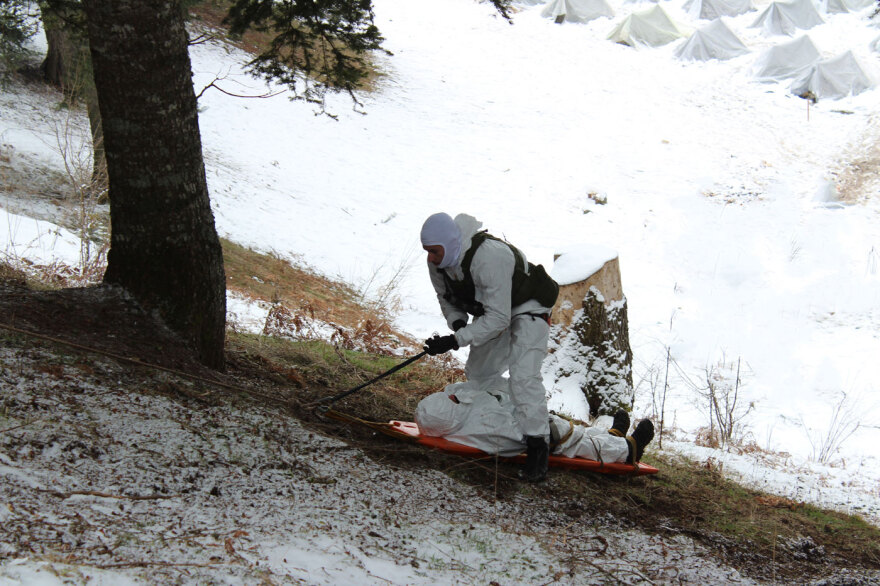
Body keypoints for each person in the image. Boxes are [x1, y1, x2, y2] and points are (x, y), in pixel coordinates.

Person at [419, 212, 560, 482]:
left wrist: (456, 340)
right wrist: (459, 325)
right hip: (496, 310)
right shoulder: (437, 264)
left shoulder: (489, 256)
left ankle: (537, 447)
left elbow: (498, 319)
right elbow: (445, 297)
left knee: (523, 374)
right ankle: (509, 409)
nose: (431, 258)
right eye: (427, 252)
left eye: (434, 251)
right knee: (479, 371)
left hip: (530, 305)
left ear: (450, 243)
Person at [415, 382, 655, 466]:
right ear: (450, 412)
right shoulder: (483, 426)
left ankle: (612, 436)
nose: (453, 395)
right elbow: (515, 437)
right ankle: (628, 450)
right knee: (576, 439)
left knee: (577, 432)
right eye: (451, 400)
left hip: (531, 417)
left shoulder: (459, 415)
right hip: (544, 435)